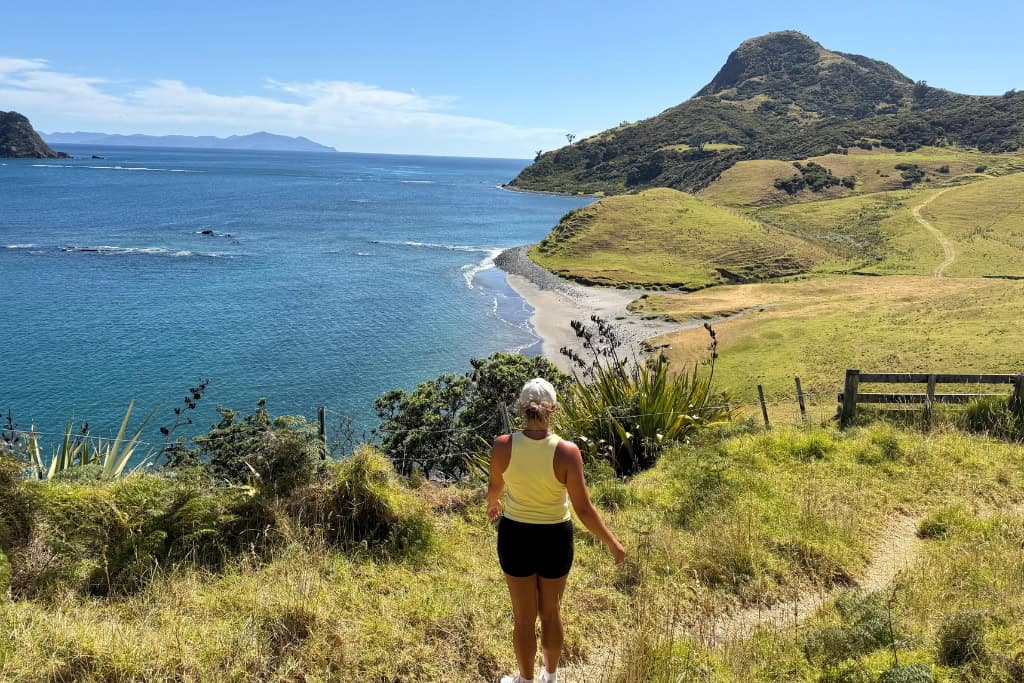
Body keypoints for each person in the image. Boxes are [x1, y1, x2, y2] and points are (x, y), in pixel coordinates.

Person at [487, 377, 626, 683]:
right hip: (555, 538)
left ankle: (525, 681)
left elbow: (495, 485)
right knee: (551, 613)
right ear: (553, 409)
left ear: (522, 408)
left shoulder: (502, 446)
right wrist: (613, 544)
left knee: (523, 619)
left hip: (515, 537)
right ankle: (549, 678)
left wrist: (492, 504)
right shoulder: (567, 452)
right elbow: (584, 509)